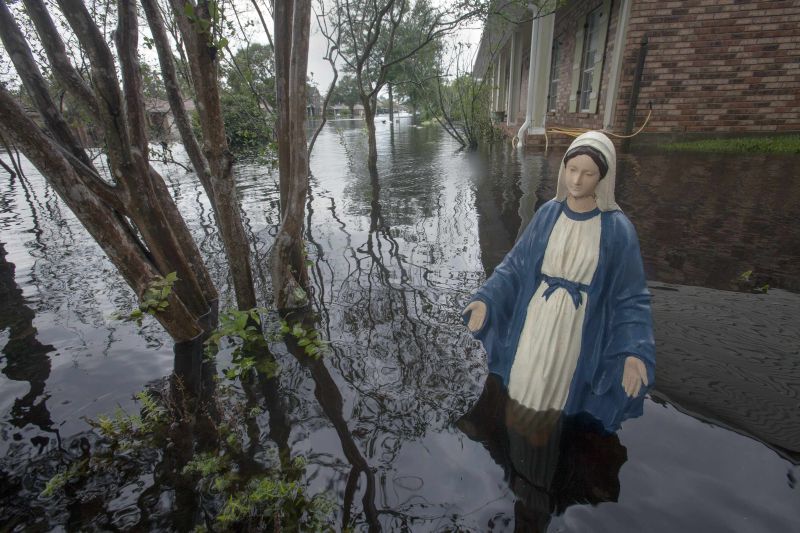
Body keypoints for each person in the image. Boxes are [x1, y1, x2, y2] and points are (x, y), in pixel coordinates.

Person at [462, 131, 655, 432]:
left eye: (588, 173)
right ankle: (515, 449)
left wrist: (634, 350)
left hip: (577, 328)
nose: (577, 180)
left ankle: (545, 456)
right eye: (572, 170)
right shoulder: (548, 214)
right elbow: (515, 265)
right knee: (522, 387)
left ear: (602, 177)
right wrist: (486, 299)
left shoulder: (617, 229)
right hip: (536, 320)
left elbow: (630, 297)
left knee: (557, 404)